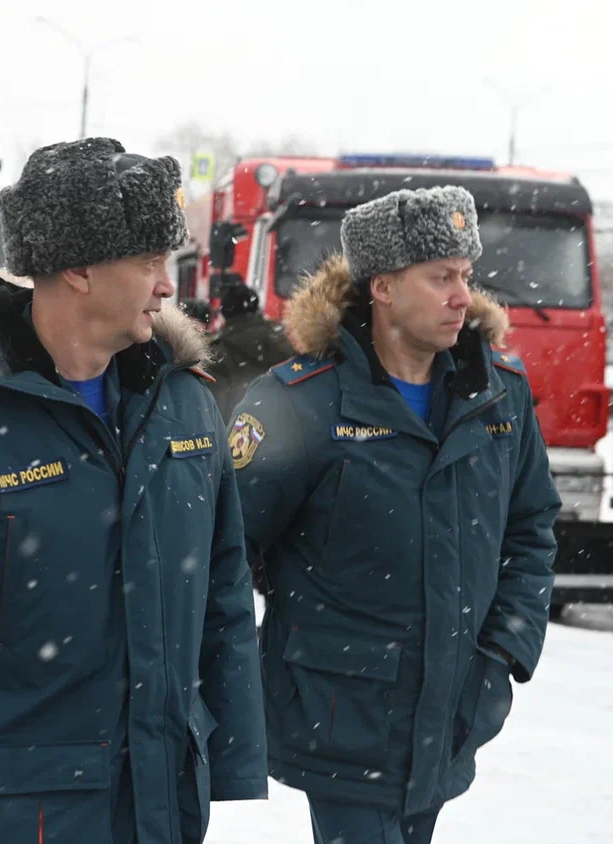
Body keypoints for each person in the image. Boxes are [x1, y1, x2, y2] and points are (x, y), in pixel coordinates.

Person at [0, 137, 268, 843]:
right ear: (78, 269)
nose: (168, 285)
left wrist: (228, 755)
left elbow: (221, 582)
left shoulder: (183, 407)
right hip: (15, 817)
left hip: (162, 805)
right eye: (151, 261)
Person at [230, 186, 560, 844]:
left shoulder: (498, 394)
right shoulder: (297, 403)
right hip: (341, 714)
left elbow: (532, 533)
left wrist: (501, 654)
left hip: (453, 705)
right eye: (440, 278)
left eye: (465, 276)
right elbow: (224, 551)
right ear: (382, 287)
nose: (462, 296)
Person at [205, 281, 293, 424]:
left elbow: (215, 410)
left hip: (239, 434)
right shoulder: (285, 339)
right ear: (256, 307)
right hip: (283, 429)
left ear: (224, 313)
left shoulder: (219, 352)